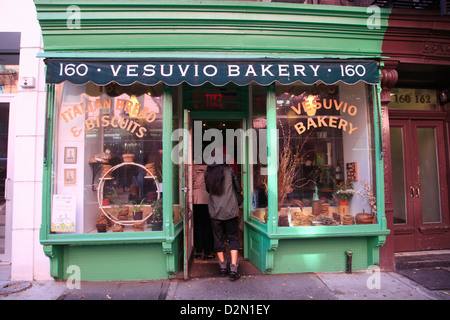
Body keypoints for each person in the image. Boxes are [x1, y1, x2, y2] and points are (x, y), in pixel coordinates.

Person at [204, 149, 242, 281]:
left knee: (218, 238)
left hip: (215, 210)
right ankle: (233, 268)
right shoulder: (229, 170)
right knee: (233, 238)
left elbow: (208, 190)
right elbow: (239, 188)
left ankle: (222, 268)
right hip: (230, 209)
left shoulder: (207, 173)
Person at [192, 163, 214, 260]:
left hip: (194, 199)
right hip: (207, 199)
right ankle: (207, 252)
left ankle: (198, 251)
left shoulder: (191, 168)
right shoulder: (209, 170)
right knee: (207, 226)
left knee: (197, 226)